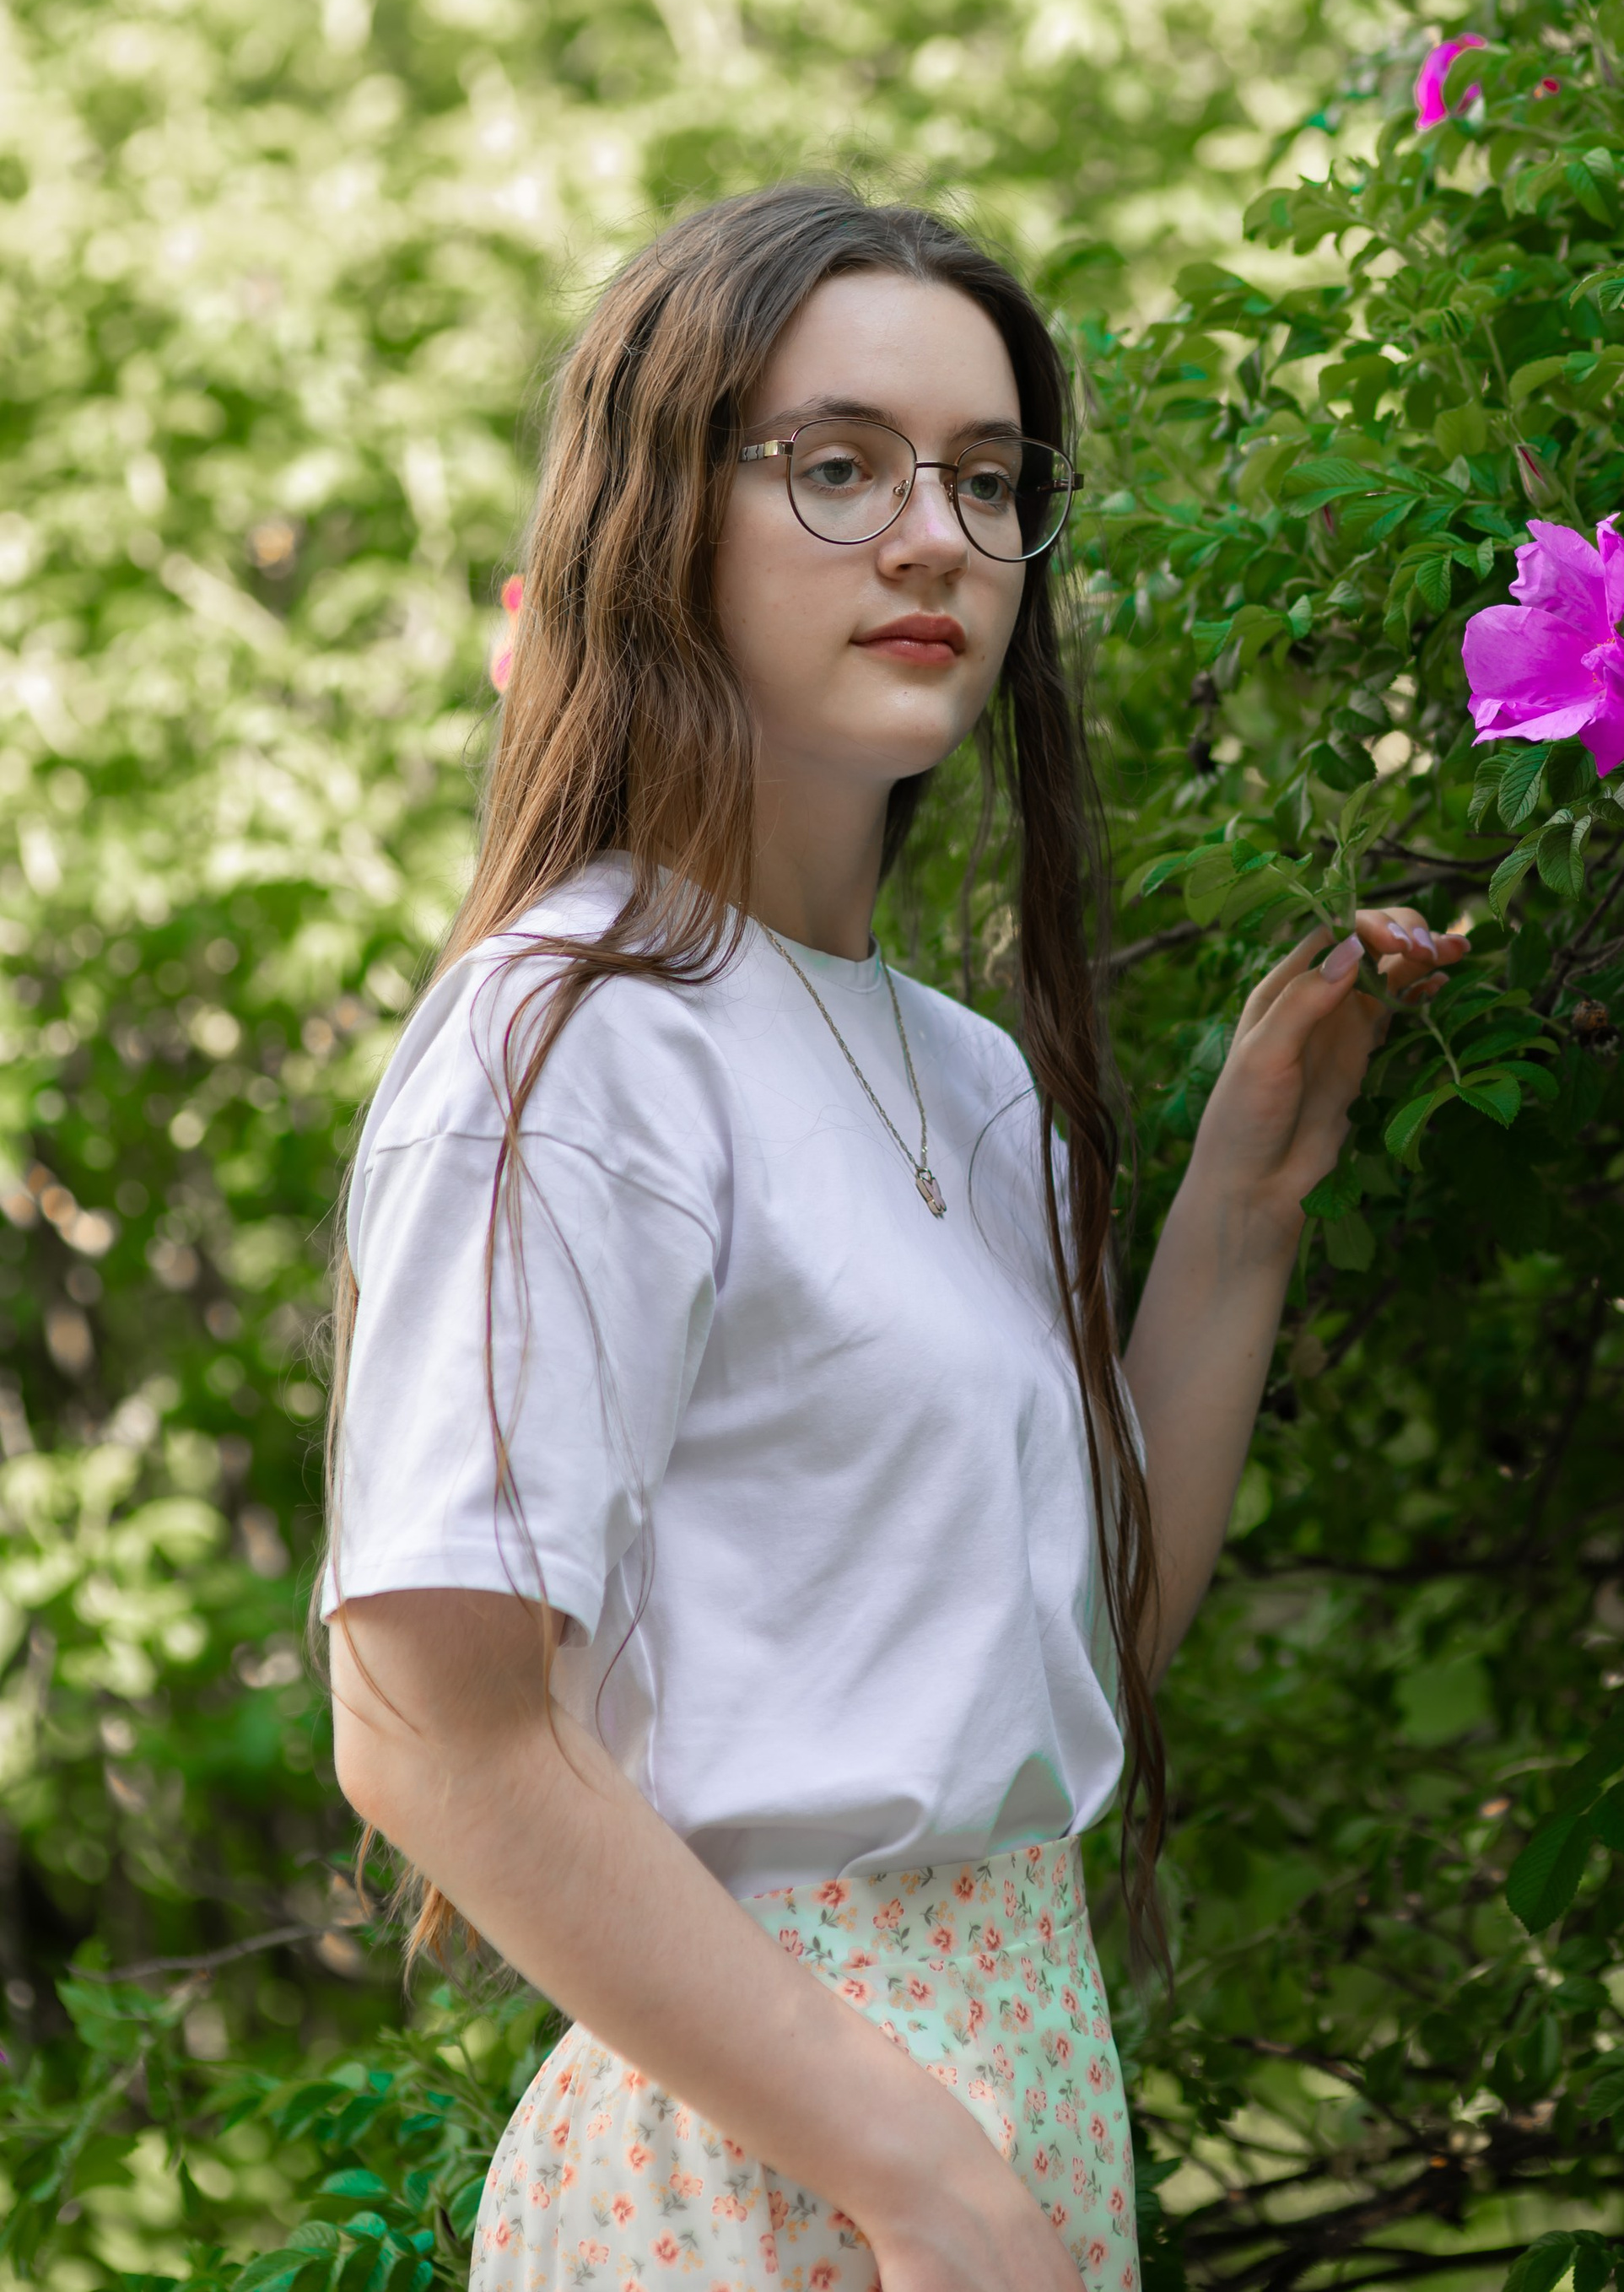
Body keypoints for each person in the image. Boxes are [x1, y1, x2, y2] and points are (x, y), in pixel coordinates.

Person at [322, 183, 1458, 2292]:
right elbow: (426, 1726)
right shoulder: (573, 1039)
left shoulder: (964, 1080)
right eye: (835, 466)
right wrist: (920, 2179)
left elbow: (1054, 1655)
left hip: (1012, 2106)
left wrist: (1239, 1202)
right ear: (660, 513)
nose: (930, 533)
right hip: (763, 2165)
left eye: (987, 477)